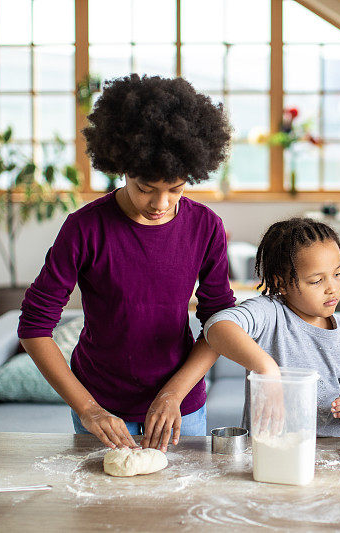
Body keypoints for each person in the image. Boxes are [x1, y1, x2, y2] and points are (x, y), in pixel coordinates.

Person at [18, 75, 235, 451]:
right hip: (101, 408)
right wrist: (88, 409)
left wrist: (173, 395)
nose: (161, 204)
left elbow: (219, 323)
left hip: (180, 408)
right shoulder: (85, 228)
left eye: (176, 190)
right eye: (145, 189)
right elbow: (35, 326)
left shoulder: (205, 226)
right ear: (122, 167)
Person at [203, 217, 340, 437]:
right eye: (316, 280)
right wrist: (266, 368)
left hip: (331, 455)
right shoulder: (269, 313)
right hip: (273, 452)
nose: (332, 288)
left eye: (336, 274)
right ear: (281, 283)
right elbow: (217, 325)